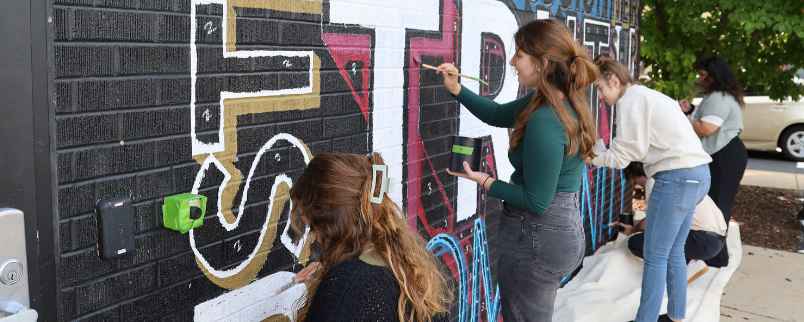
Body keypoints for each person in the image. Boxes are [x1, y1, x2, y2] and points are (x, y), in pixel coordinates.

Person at [437, 19, 598, 321]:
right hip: (557, 230)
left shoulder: (545, 120)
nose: (512, 61)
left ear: (543, 63)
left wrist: (484, 181)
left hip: (538, 235)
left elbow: (537, 200)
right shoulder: (554, 100)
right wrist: (457, 88)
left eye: (520, 54)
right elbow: (498, 114)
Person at [592, 56, 712, 322]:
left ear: (613, 80)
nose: (600, 96)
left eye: (600, 88)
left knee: (655, 255)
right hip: (699, 174)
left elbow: (626, 155)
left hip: (676, 178)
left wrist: (592, 156)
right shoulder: (648, 96)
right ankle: (677, 316)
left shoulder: (629, 101)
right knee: (674, 252)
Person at [290, 152, 452, 322]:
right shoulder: (409, 265)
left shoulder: (345, 286)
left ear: (332, 224)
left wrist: (317, 294)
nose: (313, 238)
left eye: (313, 228)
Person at [686, 55, 748, 266]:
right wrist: (691, 112)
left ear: (714, 76)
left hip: (725, 155)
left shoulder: (718, 97)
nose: (700, 78)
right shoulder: (721, 96)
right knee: (717, 203)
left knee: (718, 204)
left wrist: (681, 117)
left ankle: (716, 258)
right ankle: (715, 255)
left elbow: (706, 128)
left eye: (703, 74)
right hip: (726, 153)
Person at [617, 163, 727, 263]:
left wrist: (632, 230)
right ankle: (681, 264)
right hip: (716, 240)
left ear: (639, 175)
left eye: (635, 181)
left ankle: (664, 274)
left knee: (636, 243)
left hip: (702, 241)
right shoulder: (672, 177)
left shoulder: (653, 182)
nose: (637, 185)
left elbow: (652, 223)